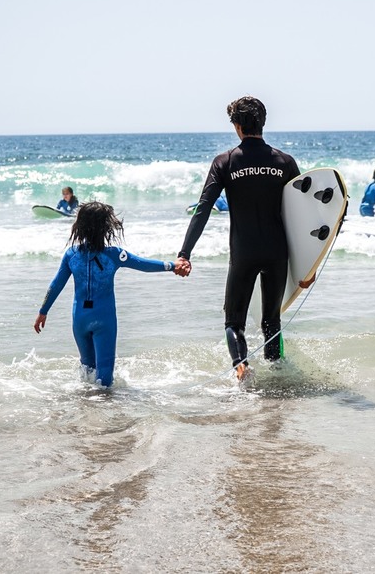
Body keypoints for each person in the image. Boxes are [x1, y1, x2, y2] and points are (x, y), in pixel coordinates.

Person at [174, 96, 300, 381]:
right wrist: (309, 264)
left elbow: (203, 209)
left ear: (238, 126)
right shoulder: (285, 162)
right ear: (263, 123)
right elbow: (302, 213)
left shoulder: (226, 162)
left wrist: (185, 253)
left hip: (243, 252)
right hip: (278, 251)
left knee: (234, 323)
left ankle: (242, 370)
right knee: (272, 321)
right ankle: (279, 377)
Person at [34, 201, 180, 388]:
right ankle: (105, 412)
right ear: (106, 228)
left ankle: (86, 409)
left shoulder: (71, 255)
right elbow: (143, 264)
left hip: (80, 319)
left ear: (80, 227)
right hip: (104, 319)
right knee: (104, 377)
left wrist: (43, 311)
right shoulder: (114, 255)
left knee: (87, 370)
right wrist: (172, 266)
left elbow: (55, 285)